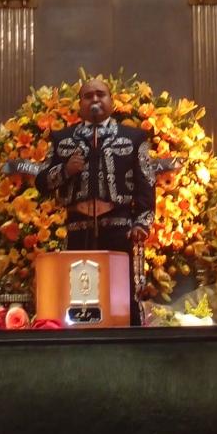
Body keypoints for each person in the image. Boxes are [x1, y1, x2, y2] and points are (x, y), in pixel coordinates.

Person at [34, 77, 156, 319]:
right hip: (78, 228)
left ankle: (127, 348)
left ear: (111, 100)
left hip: (120, 229)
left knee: (121, 298)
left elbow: (146, 187)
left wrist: (142, 224)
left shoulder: (133, 138)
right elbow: (42, 183)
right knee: (78, 297)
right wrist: (66, 170)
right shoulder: (62, 139)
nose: (95, 100)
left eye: (101, 94)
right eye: (88, 96)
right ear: (80, 104)